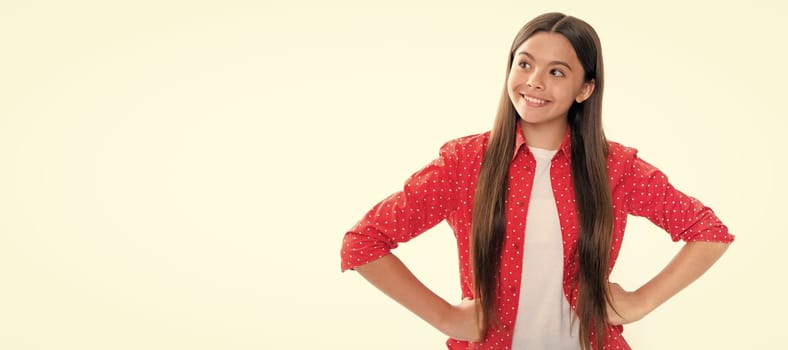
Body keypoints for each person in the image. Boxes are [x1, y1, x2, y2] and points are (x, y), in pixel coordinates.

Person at [340, 12, 733, 350]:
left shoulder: (616, 167)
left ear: (585, 89)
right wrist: (445, 317)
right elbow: (363, 243)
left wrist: (640, 302)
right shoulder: (464, 163)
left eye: (556, 71)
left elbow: (709, 232)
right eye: (524, 64)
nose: (534, 81)